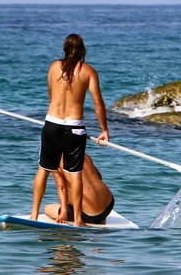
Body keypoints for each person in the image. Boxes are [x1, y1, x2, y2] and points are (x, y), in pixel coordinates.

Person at [30, 34, 109, 227]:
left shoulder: (53, 67)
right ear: (83, 50)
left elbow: (50, 96)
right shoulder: (88, 72)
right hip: (74, 128)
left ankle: (33, 214)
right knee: (74, 173)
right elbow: (98, 103)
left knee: (44, 170)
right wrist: (104, 130)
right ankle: (79, 221)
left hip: (52, 124)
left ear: (65, 49)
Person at [44, 153, 114, 224]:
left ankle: (94, 216)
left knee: (47, 209)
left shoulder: (55, 159)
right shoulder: (83, 155)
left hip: (90, 215)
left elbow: (61, 187)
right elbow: (99, 176)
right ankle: (99, 216)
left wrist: (63, 213)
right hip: (109, 204)